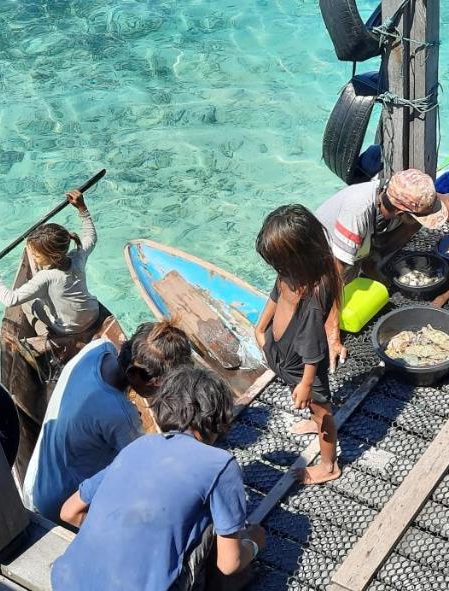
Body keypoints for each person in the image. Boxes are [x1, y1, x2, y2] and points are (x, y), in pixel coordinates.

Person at [53, 367, 265, 591]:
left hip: (65, 582)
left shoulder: (137, 446)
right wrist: (253, 543)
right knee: (217, 523)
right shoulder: (220, 464)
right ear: (218, 417)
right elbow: (228, 564)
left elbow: (69, 511)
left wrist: (122, 541)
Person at [314, 168, 449, 368]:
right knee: (319, 307)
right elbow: (333, 276)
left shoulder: (396, 192)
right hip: (321, 265)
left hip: (361, 248)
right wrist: (333, 336)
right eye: (414, 215)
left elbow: (445, 201)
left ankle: (372, 259)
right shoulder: (357, 213)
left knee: (417, 220)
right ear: (402, 212)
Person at [22, 321, 193, 523]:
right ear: (134, 375)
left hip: (34, 485)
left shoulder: (99, 348)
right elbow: (144, 469)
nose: (164, 392)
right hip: (57, 507)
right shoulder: (120, 415)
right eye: (162, 386)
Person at [253, 204, 344, 485]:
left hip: (304, 365)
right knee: (313, 407)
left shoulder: (315, 289)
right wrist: (260, 327)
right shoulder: (291, 272)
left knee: (323, 413)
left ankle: (329, 465)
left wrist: (306, 383)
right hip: (286, 354)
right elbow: (276, 292)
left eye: (282, 265)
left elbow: (313, 345)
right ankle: (313, 419)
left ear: (301, 256)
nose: (280, 271)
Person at [0, 188, 102, 342]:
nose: (34, 258)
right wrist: (82, 208)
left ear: (53, 256)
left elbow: (10, 299)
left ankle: (47, 335)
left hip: (69, 329)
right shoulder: (78, 255)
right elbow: (91, 236)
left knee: (26, 305)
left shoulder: (45, 277)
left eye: (36, 255)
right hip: (93, 313)